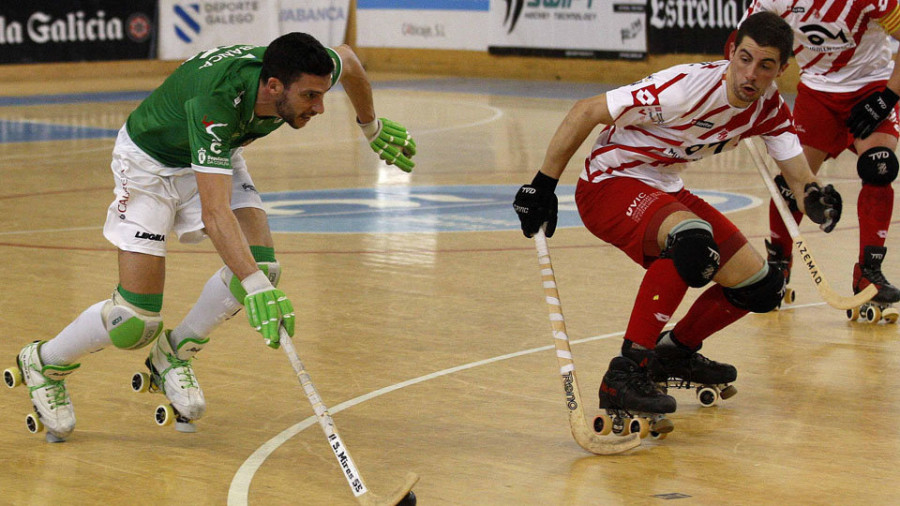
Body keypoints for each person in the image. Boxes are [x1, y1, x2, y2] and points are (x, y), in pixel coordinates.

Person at [5, 32, 417, 442]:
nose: (321, 108)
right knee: (133, 323)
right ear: (273, 86)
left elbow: (350, 60)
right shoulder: (216, 103)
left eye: (322, 95)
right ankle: (44, 363)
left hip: (217, 153)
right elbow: (216, 213)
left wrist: (371, 126)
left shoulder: (295, 69)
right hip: (151, 164)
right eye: (310, 97)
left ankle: (174, 355)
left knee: (262, 268)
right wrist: (254, 288)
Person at [513, 12, 843, 432]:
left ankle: (675, 353)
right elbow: (587, 110)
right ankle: (625, 373)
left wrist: (815, 197)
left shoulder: (769, 108)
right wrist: (542, 185)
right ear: (731, 51)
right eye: (744, 59)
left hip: (662, 186)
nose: (750, 74)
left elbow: (798, 174)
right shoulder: (683, 90)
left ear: (782, 69)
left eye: (765, 66)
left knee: (762, 287)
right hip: (610, 183)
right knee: (692, 242)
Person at [734, 0, 900, 311]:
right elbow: (741, 39)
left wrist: (888, 97)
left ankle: (869, 272)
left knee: (880, 167)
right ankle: (778, 266)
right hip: (816, 93)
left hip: (871, 87)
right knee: (791, 181)